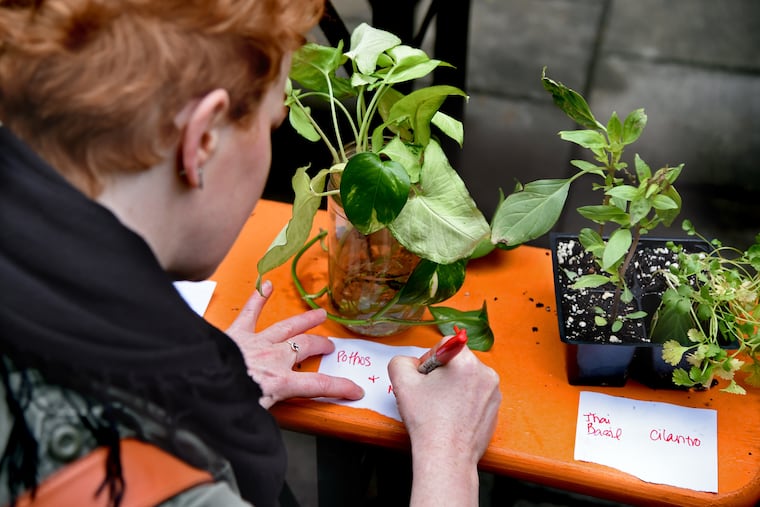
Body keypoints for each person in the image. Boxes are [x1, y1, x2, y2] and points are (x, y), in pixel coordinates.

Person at [0, 0, 501, 506]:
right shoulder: (139, 480)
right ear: (202, 142)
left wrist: (195, 382)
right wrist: (450, 454)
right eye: (272, 122)